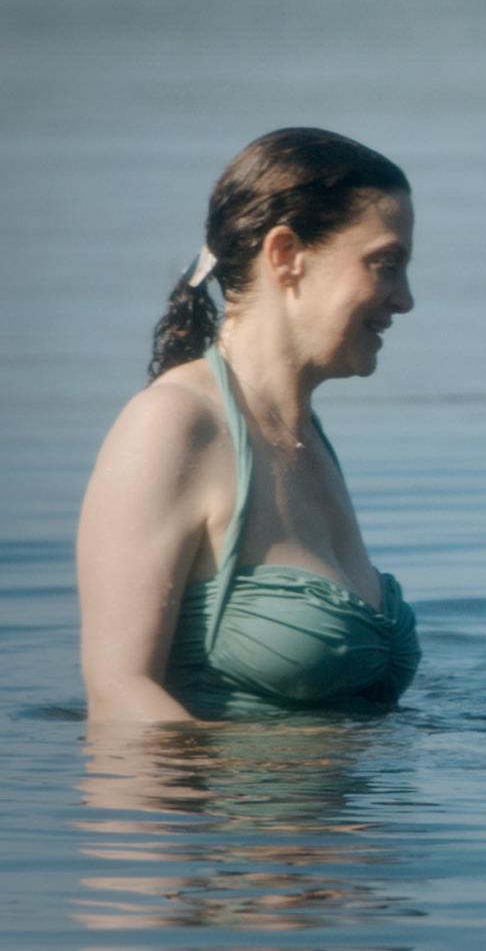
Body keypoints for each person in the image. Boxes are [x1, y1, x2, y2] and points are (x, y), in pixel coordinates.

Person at [76, 128, 421, 722]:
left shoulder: (304, 438)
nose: (404, 299)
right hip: (231, 813)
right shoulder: (172, 425)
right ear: (286, 255)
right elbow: (119, 697)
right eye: (384, 265)